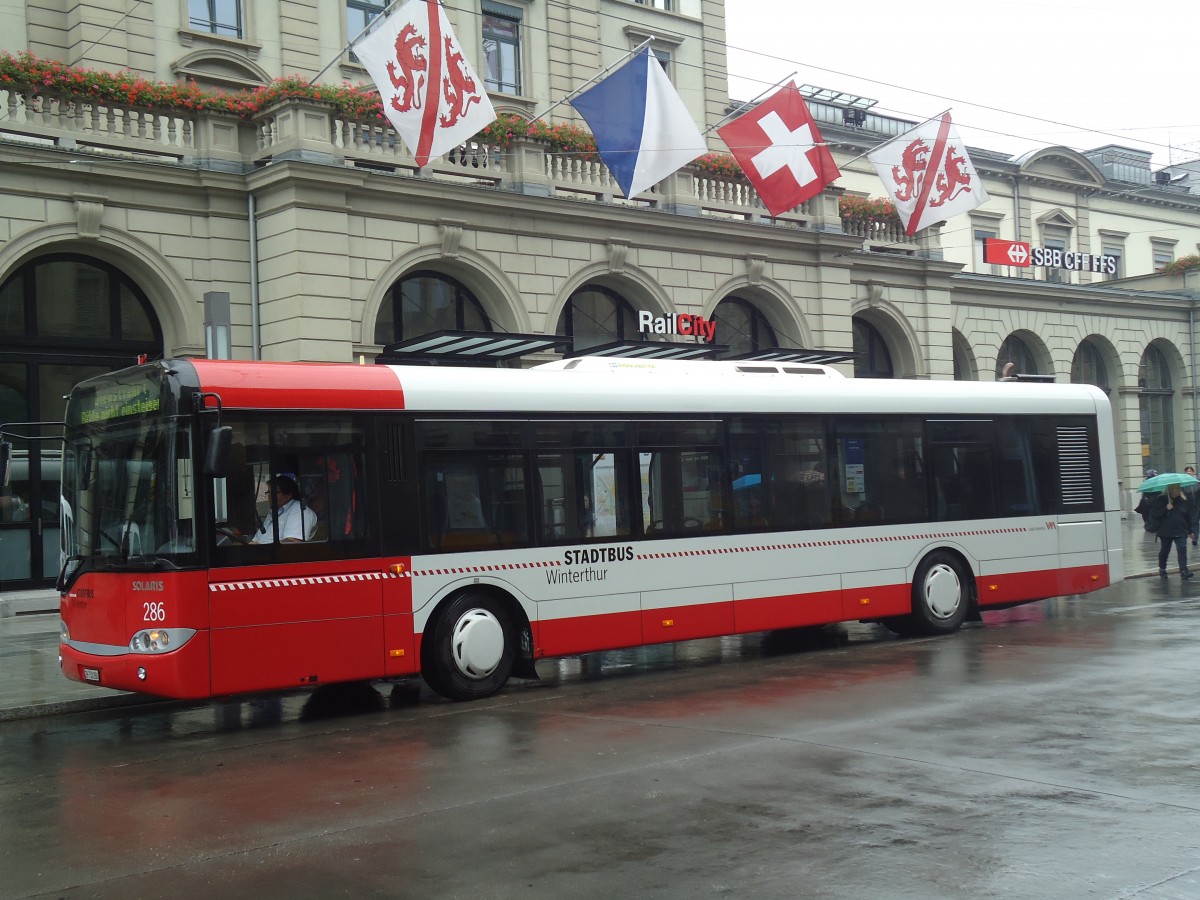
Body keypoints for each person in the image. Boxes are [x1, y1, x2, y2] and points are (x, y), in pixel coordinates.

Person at [249, 474, 316, 544]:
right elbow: (256, 540)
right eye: (269, 492)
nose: (270, 496)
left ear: (289, 494)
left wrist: (262, 548)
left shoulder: (299, 510)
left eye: (275, 492)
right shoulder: (275, 511)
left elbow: (292, 542)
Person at [1149, 482, 1195, 579]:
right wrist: (1166, 508)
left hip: (1181, 529)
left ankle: (1184, 571)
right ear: (1171, 489)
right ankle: (1162, 569)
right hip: (1166, 531)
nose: (1179, 490)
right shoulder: (1162, 499)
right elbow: (1155, 514)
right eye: (1177, 488)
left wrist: (1190, 531)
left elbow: (1187, 517)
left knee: (1182, 550)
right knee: (1165, 550)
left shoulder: (1183, 500)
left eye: (1179, 488)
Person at [1185, 466, 1200, 547]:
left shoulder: (1197, 482)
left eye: (1190, 471)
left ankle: (1195, 538)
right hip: (1189, 507)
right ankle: (1194, 536)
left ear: (1193, 472)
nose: (1189, 472)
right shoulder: (1183, 484)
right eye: (1187, 471)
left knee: (1195, 522)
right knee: (1192, 523)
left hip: (1197, 505)